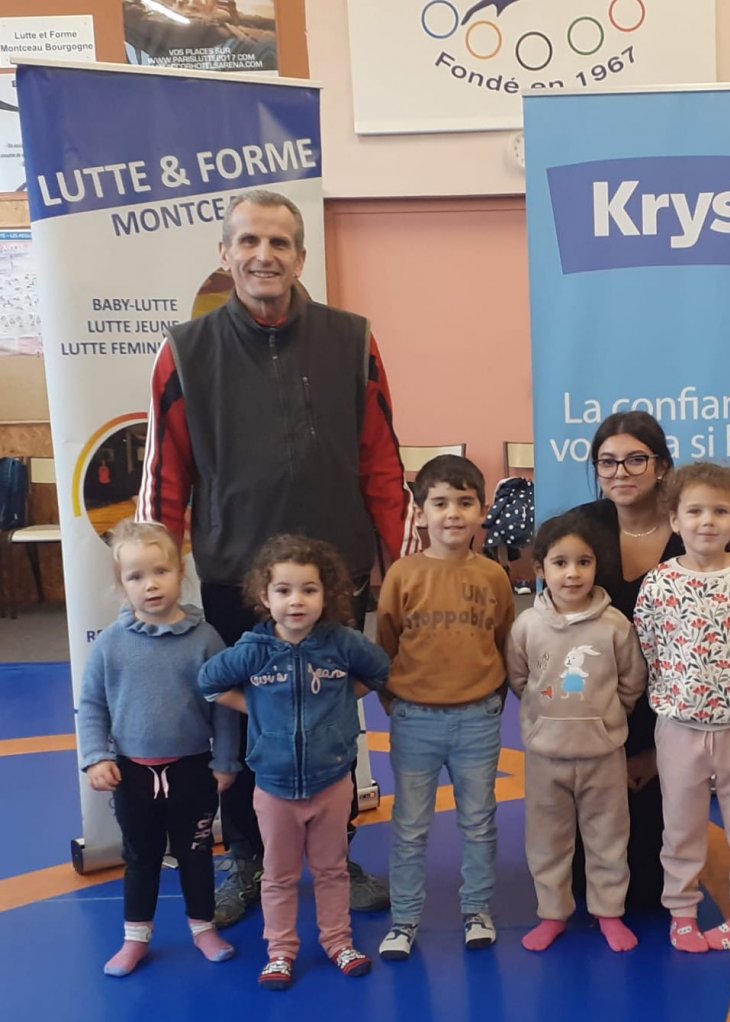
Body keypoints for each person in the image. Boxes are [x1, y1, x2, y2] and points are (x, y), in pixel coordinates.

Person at [139, 188, 417, 926]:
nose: (264, 255)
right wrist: (155, 580)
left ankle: (334, 853)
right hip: (235, 574)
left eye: (279, 243)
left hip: (337, 576)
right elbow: (165, 476)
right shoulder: (185, 351)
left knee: (330, 718)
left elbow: (381, 461)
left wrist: (406, 565)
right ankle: (248, 858)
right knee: (242, 726)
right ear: (225, 254)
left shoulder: (352, 341)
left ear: (300, 257)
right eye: (249, 241)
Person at [198, 535, 390, 990]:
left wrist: (341, 703)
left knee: (332, 869)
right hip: (274, 787)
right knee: (279, 876)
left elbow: (381, 671)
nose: (296, 601)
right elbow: (209, 682)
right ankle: (281, 950)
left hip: (332, 783)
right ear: (265, 597)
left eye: (309, 589)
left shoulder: (342, 644)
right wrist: (256, 708)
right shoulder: (253, 649)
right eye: (283, 590)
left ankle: (338, 941)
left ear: (327, 594)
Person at [77, 521, 240, 977]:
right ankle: (136, 937)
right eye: (136, 576)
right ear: (121, 584)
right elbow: (92, 704)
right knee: (140, 857)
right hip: (132, 774)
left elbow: (225, 706)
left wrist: (225, 760)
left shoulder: (205, 639)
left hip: (193, 771)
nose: (150, 585)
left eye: (161, 572)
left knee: (196, 854)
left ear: (180, 574)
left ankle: (203, 927)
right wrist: (96, 756)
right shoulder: (111, 644)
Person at [375, 454, 516, 961]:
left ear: (482, 510)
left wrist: (491, 700)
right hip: (415, 720)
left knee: (478, 821)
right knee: (410, 827)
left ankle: (476, 909)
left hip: (477, 719)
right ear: (421, 512)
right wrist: (399, 704)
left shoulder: (494, 575)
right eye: (440, 503)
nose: (452, 513)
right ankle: (404, 919)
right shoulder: (402, 574)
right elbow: (386, 644)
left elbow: (504, 643)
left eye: (464, 502)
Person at [634, 462, 730, 952]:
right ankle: (681, 910)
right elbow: (650, 647)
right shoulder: (658, 583)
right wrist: (680, 696)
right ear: (674, 519)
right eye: (694, 511)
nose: (707, 521)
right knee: (681, 825)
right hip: (678, 726)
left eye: (720, 511)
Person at [505, 512, 647, 952]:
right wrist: (543, 719)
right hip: (545, 757)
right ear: (540, 568)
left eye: (583, 562)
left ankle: (609, 912)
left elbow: (632, 681)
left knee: (609, 838)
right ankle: (553, 913)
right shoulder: (527, 626)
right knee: (547, 841)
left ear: (596, 566)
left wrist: (607, 716)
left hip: (603, 756)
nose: (572, 573)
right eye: (560, 563)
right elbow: (518, 677)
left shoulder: (615, 625)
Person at [567, 411, 679, 910]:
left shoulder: (691, 530)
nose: (620, 472)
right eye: (607, 461)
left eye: (636, 459)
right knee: (585, 885)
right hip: (592, 721)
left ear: (662, 466)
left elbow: (696, 650)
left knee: (652, 888)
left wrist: (653, 749)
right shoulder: (578, 531)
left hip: (668, 715)